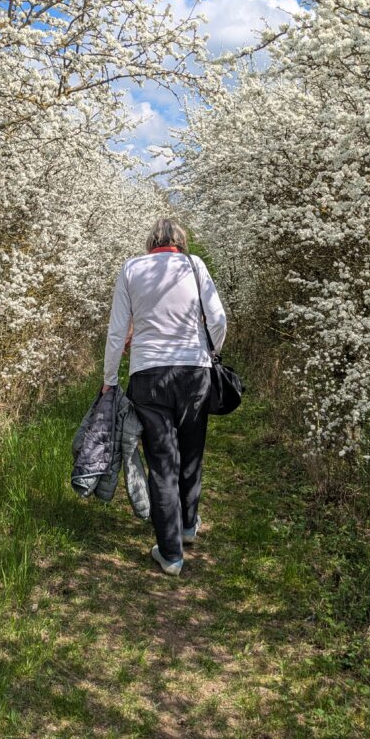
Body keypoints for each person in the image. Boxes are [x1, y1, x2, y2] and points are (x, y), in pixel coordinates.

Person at [102, 217, 227, 576]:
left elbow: (117, 331)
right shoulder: (194, 265)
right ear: (181, 242)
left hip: (148, 374)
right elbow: (218, 319)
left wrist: (109, 379)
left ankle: (171, 554)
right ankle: (187, 526)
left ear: (150, 243)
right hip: (193, 372)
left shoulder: (131, 268)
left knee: (161, 461)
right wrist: (211, 353)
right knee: (191, 452)